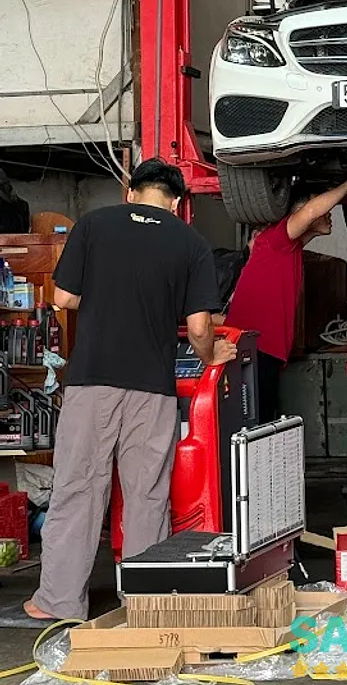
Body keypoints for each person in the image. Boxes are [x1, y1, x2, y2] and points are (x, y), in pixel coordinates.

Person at [24, 159, 227, 622]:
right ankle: (143, 600)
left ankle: (58, 600)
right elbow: (200, 327)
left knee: (78, 487)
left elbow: (63, 298)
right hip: (152, 387)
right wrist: (211, 354)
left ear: (131, 191)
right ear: (176, 202)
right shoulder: (191, 243)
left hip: (93, 379)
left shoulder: (94, 225)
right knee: (147, 494)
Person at [226, 173, 347, 421]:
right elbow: (310, 213)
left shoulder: (288, 247)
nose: (329, 213)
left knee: (263, 420)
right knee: (257, 423)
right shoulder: (274, 239)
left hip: (262, 350)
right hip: (256, 350)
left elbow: (309, 222)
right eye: (322, 207)